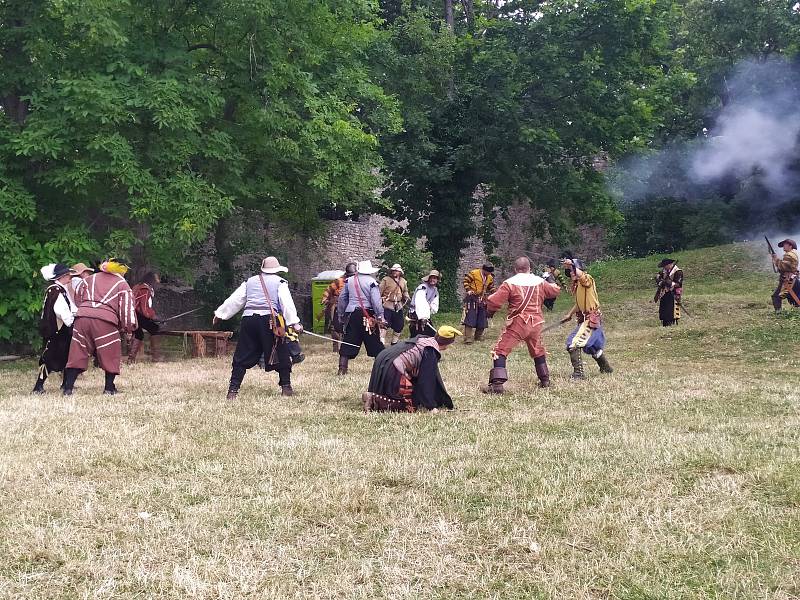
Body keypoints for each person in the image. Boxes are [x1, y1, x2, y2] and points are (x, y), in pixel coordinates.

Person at [213, 256, 303, 399]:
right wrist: (294, 322)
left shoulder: (249, 282)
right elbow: (287, 304)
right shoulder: (280, 282)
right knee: (281, 352)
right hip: (270, 321)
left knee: (242, 354)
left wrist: (220, 314)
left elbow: (235, 300)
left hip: (249, 320)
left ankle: (233, 391)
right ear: (276, 269)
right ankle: (286, 388)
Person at [481, 257, 560, 393]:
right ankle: (545, 379)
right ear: (529, 268)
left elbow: (494, 301)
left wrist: (489, 312)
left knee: (500, 350)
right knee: (538, 350)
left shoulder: (509, 283)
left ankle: (497, 385)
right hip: (536, 323)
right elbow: (555, 291)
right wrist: (548, 277)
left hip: (518, 322)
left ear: (516, 269)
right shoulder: (540, 282)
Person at [62, 258, 138, 395]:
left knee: (77, 352)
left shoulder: (90, 279)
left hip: (82, 318)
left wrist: (85, 309)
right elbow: (127, 309)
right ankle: (109, 388)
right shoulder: (122, 284)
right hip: (105, 321)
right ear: (122, 269)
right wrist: (128, 328)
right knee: (110, 353)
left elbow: (78, 295)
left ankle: (68, 388)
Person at [363, 325, 460, 413]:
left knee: (412, 397)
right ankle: (374, 399)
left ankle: (376, 397)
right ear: (447, 343)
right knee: (410, 406)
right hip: (394, 369)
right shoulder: (430, 350)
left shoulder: (424, 340)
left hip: (387, 363)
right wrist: (431, 406)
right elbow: (426, 380)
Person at [562, 256, 613, 379]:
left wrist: (572, 264)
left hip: (591, 318)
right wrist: (569, 314)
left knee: (573, 343)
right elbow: (579, 304)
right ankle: (606, 367)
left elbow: (582, 276)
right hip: (585, 319)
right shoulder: (578, 285)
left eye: (573, 270)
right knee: (592, 347)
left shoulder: (587, 279)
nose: (571, 273)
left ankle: (579, 374)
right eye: (570, 271)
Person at [33, 264, 77, 393]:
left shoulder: (59, 289)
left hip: (60, 331)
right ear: (62, 276)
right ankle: (38, 387)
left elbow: (71, 307)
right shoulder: (56, 290)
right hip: (57, 332)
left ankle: (66, 384)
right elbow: (61, 311)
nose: (70, 276)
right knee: (49, 359)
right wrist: (72, 322)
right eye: (68, 274)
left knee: (68, 357)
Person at [336, 260, 385, 375]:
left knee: (348, 340)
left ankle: (342, 369)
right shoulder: (372, 282)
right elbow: (376, 301)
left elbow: (342, 299)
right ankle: (381, 370)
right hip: (368, 315)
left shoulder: (349, 281)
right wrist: (380, 316)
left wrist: (341, 314)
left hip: (352, 314)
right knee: (374, 342)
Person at [321, 262, 356, 352]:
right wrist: (325, 299)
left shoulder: (356, 281)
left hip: (350, 306)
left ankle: (345, 347)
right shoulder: (339, 281)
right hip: (336, 306)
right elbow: (328, 290)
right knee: (335, 327)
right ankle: (336, 348)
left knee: (348, 327)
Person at [128, 271, 162, 363]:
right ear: (152, 280)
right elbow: (144, 308)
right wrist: (153, 316)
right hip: (137, 314)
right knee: (155, 328)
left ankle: (131, 359)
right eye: (157, 278)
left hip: (132, 314)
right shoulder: (145, 289)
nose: (158, 281)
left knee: (139, 334)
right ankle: (156, 357)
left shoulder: (138, 286)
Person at [462, 262, 495, 343]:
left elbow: (491, 286)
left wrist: (495, 292)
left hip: (482, 299)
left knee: (482, 318)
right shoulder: (474, 273)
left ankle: (478, 336)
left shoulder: (490, 277)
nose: (488, 274)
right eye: (487, 272)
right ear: (484, 270)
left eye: (490, 272)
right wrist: (468, 290)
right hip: (472, 297)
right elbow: (465, 281)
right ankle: (468, 338)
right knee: (470, 317)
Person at [379, 263, 410, 345]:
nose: (394, 272)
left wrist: (407, 297)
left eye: (396, 271)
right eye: (393, 270)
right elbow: (379, 292)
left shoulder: (403, 281)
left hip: (398, 306)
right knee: (384, 325)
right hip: (386, 305)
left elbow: (405, 291)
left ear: (400, 272)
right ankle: (381, 343)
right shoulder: (385, 280)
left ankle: (394, 343)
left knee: (399, 325)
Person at [408, 270, 441, 337]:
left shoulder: (435, 290)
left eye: (434, 278)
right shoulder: (422, 287)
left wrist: (429, 312)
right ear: (428, 278)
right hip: (416, 314)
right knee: (416, 336)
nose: (432, 279)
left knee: (430, 335)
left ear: (437, 280)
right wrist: (423, 316)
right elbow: (420, 302)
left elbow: (434, 305)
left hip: (425, 315)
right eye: (431, 278)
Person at [772, 239, 800, 311]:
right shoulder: (792, 254)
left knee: (776, 296)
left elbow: (782, 267)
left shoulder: (789, 255)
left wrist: (775, 259)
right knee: (794, 296)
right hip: (791, 278)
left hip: (789, 279)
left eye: (785, 244)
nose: (783, 246)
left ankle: (778, 313)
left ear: (790, 246)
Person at [655, 258, 684, 326]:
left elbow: (678, 284)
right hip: (664, 293)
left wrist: (668, 282)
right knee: (664, 310)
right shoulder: (664, 271)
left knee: (672, 310)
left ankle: (672, 324)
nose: (664, 267)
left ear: (669, 264)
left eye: (665, 265)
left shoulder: (678, 272)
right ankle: (665, 324)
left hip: (673, 293)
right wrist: (659, 280)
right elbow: (658, 278)